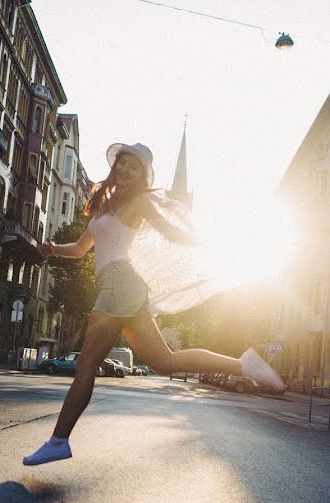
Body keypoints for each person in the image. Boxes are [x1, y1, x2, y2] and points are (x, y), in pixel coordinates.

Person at [23, 142, 285, 466]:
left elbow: (171, 232)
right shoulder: (105, 206)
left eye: (134, 166)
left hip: (120, 285)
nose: (125, 169)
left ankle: (58, 440)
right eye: (122, 163)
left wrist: (210, 242)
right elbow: (80, 249)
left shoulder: (140, 202)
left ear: (143, 176)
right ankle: (244, 365)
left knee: (86, 364)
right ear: (115, 166)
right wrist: (52, 249)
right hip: (120, 287)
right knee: (165, 362)